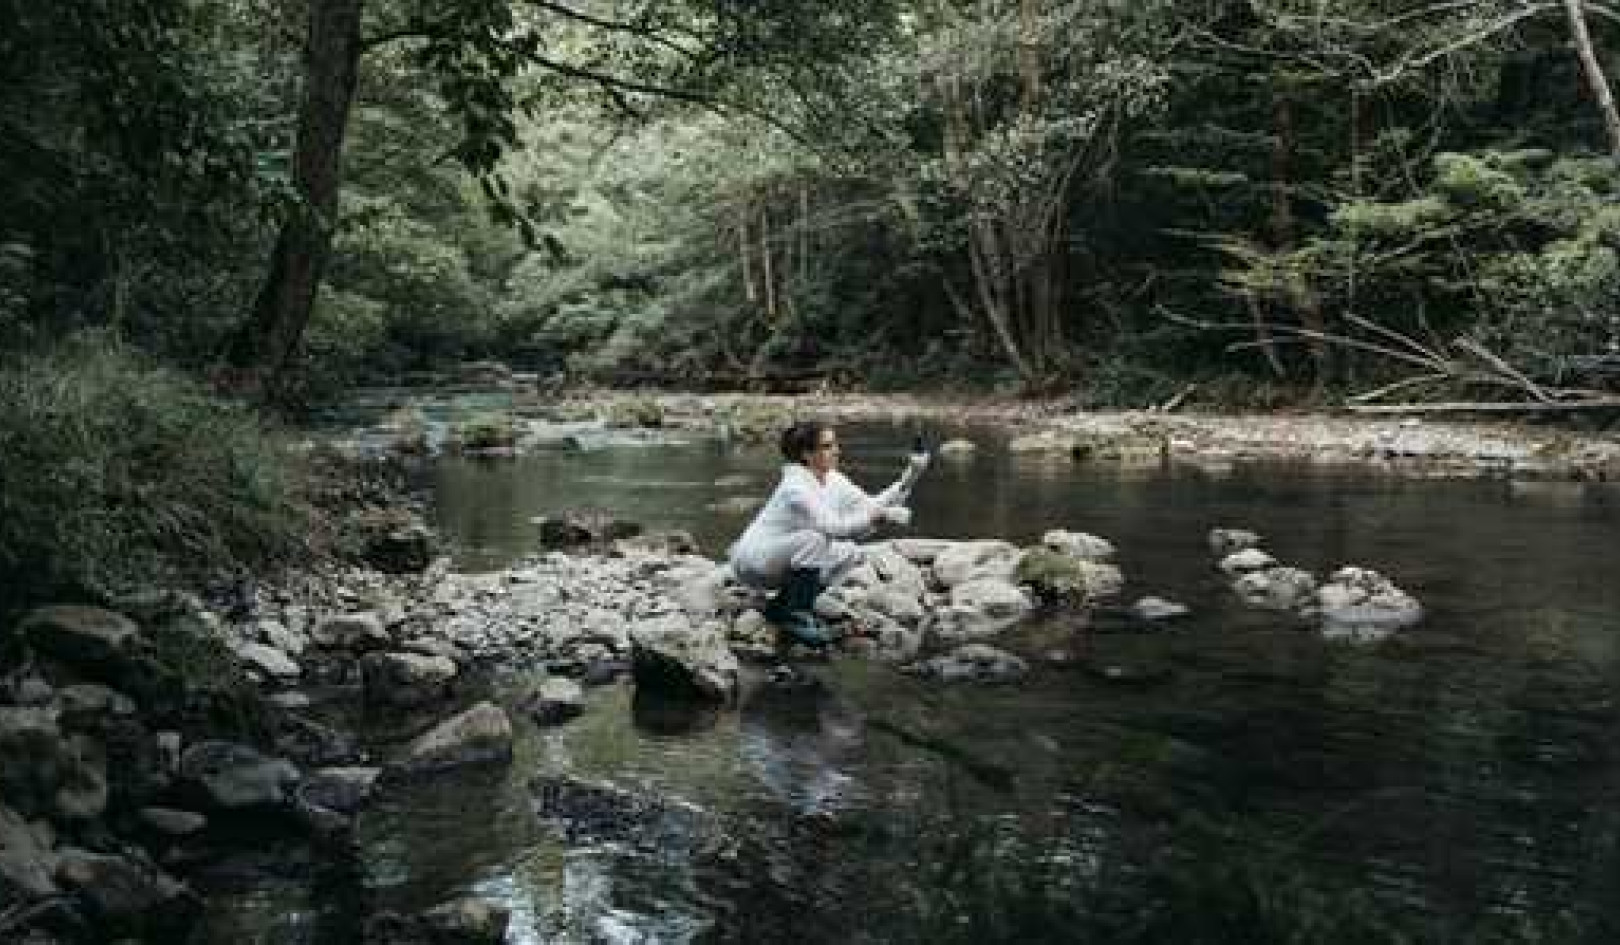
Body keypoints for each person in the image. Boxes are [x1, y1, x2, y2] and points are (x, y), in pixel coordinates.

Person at [728, 421, 929, 646]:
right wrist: (880, 517)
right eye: (827, 446)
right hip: (753, 561)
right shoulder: (795, 487)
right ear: (806, 454)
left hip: (783, 558)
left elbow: (870, 506)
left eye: (835, 444)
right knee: (816, 538)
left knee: (849, 553)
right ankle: (796, 615)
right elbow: (833, 528)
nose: (837, 450)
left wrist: (912, 474)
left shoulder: (833, 479)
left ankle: (780, 608)